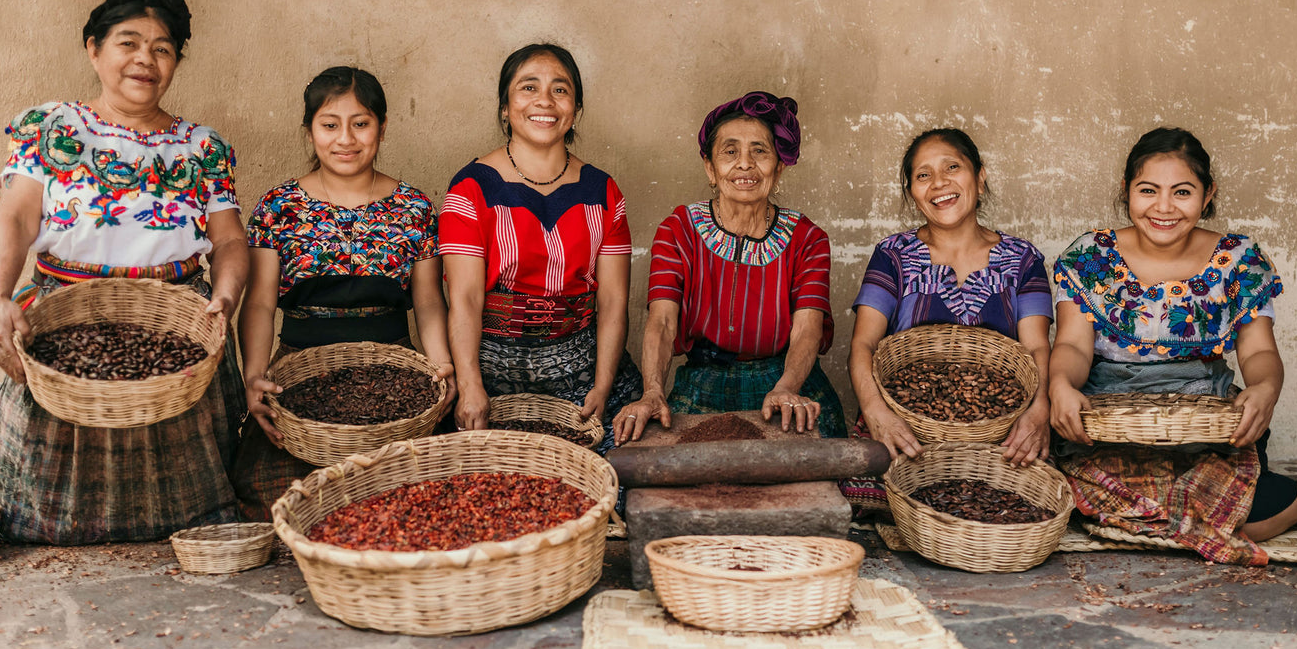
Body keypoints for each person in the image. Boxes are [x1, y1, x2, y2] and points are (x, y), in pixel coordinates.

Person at [1048, 127, 1297, 565]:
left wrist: (1264, 390)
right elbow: (1074, 345)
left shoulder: (1239, 260)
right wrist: (1061, 385)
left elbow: (1258, 352)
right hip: (1109, 426)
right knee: (1086, 502)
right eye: (1148, 190)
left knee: (1242, 512)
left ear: (1208, 194)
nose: (1164, 207)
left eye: (1182, 191)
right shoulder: (1090, 257)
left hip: (1206, 421)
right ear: (1126, 191)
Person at [0, 0, 247, 544]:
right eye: (129, 42)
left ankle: (178, 522)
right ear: (93, 49)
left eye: (163, 48)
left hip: (177, 318)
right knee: (56, 484)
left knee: (178, 474)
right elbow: (17, 216)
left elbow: (227, 241)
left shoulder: (201, 147)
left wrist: (223, 299)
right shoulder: (51, 127)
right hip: (65, 310)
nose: (145, 60)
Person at [230, 67, 453, 519]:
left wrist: (442, 363)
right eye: (330, 124)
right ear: (310, 130)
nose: (345, 138)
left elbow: (429, 301)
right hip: (298, 372)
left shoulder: (414, 208)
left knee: (408, 502)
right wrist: (254, 376)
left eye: (361, 123)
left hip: (395, 372)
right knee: (278, 502)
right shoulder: (279, 207)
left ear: (382, 127)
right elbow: (258, 302)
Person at [613, 91, 845, 445]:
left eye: (760, 151)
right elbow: (662, 322)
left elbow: (807, 329)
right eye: (730, 151)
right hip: (703, 381)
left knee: (821, 476)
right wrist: (653, 392)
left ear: (779, 167)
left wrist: (786, 388)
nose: (745, 164)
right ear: (710, 167)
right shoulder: (678, 230)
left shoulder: (807, 239)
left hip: (787, 378)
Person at [440, 44, 641, 451]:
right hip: (493, 375)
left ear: (576, 109)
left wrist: (602, 386)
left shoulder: (603, 191)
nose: (545, 101)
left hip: (585, 373)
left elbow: (615, 300)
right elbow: (463, 298)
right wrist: (470, 385)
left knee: (604, 486)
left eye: (560, 90)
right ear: (504, 107)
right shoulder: (471, 188)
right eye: (528, 87)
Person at [840, 129, 1053, 512]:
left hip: (996, 436)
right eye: (923, 175)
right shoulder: (893, 256)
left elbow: (1037, 346)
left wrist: (1039, 413)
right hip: (908, 429)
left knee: (1018, 501)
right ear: (912, 191)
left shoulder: (1023, 259)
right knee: (877, 496)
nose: (939, 183)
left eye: (952, 167)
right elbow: (863, 345)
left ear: (980, 176)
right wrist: (877, 413)